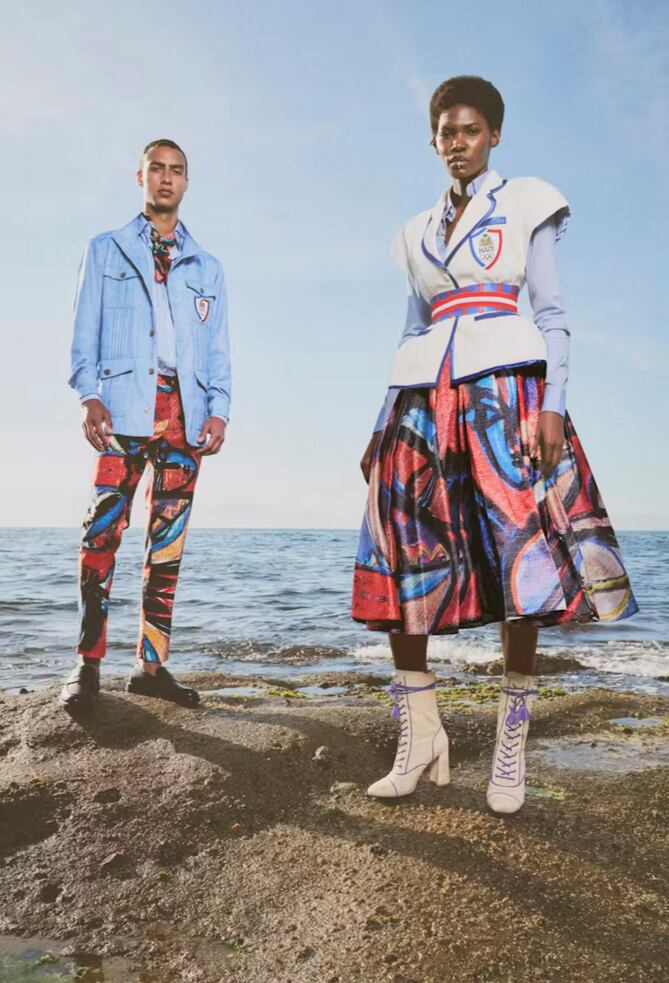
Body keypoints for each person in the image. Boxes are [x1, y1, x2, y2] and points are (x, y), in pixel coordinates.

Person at [352, 76, 638, 814]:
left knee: (523, 558)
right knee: (404, 557)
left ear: (493, 135)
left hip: (504, 393)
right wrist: (384, 417)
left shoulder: (526, 201)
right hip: (420, 400)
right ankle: (419, 735)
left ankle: (509, 747)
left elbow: (552, 311)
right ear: (432, 140)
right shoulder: (413, 230)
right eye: (446, 132)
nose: (457, 142)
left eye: (470, 130)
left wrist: (553, 404)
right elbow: (410, 327)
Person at [61, 139, 231, 714]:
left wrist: (220, 408)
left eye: (176, 171)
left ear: (187, 181)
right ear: (140, 176)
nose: (165, 179)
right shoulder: (106, 249)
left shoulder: (208, 266)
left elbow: (216, 350)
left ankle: (150, 667)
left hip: (185, 416)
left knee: (168, 546)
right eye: (156, 169)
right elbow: (84, 331)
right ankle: (87, 665)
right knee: (100, 535)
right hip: (124, 410)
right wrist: (89, 395)